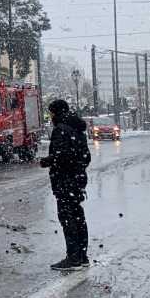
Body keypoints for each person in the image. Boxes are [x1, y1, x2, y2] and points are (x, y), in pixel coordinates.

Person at [39, 99, 92, 270]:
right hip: (77, 181)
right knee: (78, 218)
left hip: (65, 181)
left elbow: (62, 156)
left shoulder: (60, 130)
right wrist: (77, 169)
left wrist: (48, 161)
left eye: (51, 112)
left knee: (68, 219)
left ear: (56, 112)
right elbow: (85, 157)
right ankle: (82, 256)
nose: (51, 116)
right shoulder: (78, 129)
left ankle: (73, 258)